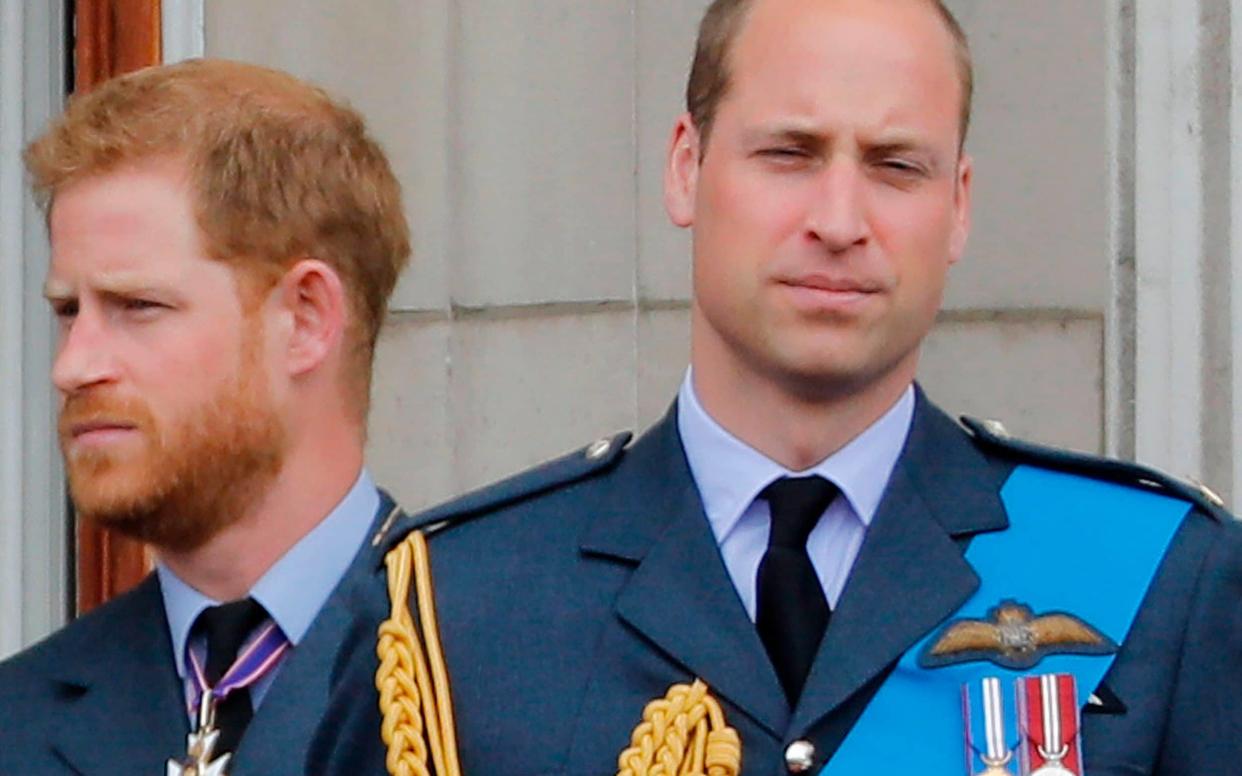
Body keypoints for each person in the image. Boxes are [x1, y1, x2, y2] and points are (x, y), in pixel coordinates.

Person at [311, 0, 1242, 774]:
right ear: (687, 167)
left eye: (894, 166)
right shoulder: (463, 605)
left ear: (958, 205)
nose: (839, 220)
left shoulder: (1163, 579)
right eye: (789, 154)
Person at [0, 59, 411, 775]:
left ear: (306, 319)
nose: (73, 365)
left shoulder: (501, 685)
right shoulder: (17, 721)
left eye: (138, 307)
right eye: (69, 311)